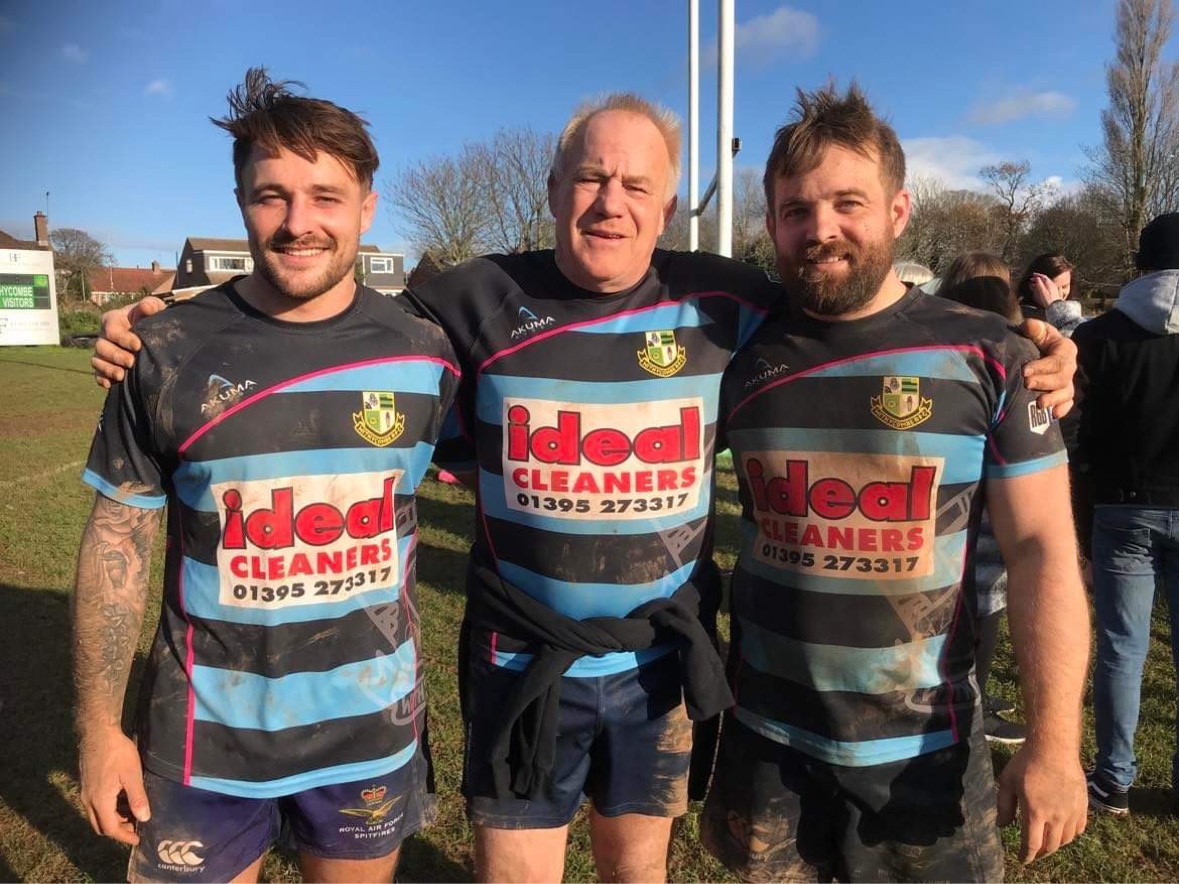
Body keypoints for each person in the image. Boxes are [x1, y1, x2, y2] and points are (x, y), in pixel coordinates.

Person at [90, 93, 1080, 884]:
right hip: (518, 655)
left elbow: (861, 305)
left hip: (660, 667)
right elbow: (323, 319)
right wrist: (168, 331)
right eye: (591, 177)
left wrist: (1020, 343)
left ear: (671, 199)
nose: (611, 201)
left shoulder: (730, 303)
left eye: (636, 182)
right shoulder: (464, 300)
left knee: (635, 863)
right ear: (556, 185)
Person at [73, 69, 459, 883]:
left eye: (325, 196)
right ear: (240, 199)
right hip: (202, 739)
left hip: (369, 730)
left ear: (366, 206)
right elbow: (117, 544)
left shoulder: (426, 354)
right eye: (270, 195)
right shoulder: (167, 350)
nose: (297, 223)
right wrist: (100, 731)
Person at [700, 84, 1089, 882]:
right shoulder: (733, 347)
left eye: (848, 202)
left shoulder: (995, 357)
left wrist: (1053, 746)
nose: (821, 230)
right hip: (767, 744)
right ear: (770, 222)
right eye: (795, 210)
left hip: (926, 749)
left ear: (898, 210)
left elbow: (1043, 550)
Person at [1074, 212, 1179, 816]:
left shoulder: (1098, 335)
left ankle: (1113, 779)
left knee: (1121, 647)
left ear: (1140, 264)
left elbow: (1077, 428)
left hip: (1121, 505)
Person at [938, 251, 1029, 745]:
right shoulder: (1011, 352)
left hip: (949, 543)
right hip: (978, 544)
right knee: (976, 639)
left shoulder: (1019, 355)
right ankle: (971, 716)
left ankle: (973, 709)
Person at [1017, 253, 1084, 335]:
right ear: (1033, 285)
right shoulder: (1022, 318)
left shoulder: (1073, 314)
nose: (1059, 293)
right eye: (1053, 288)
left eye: (1064, 287)